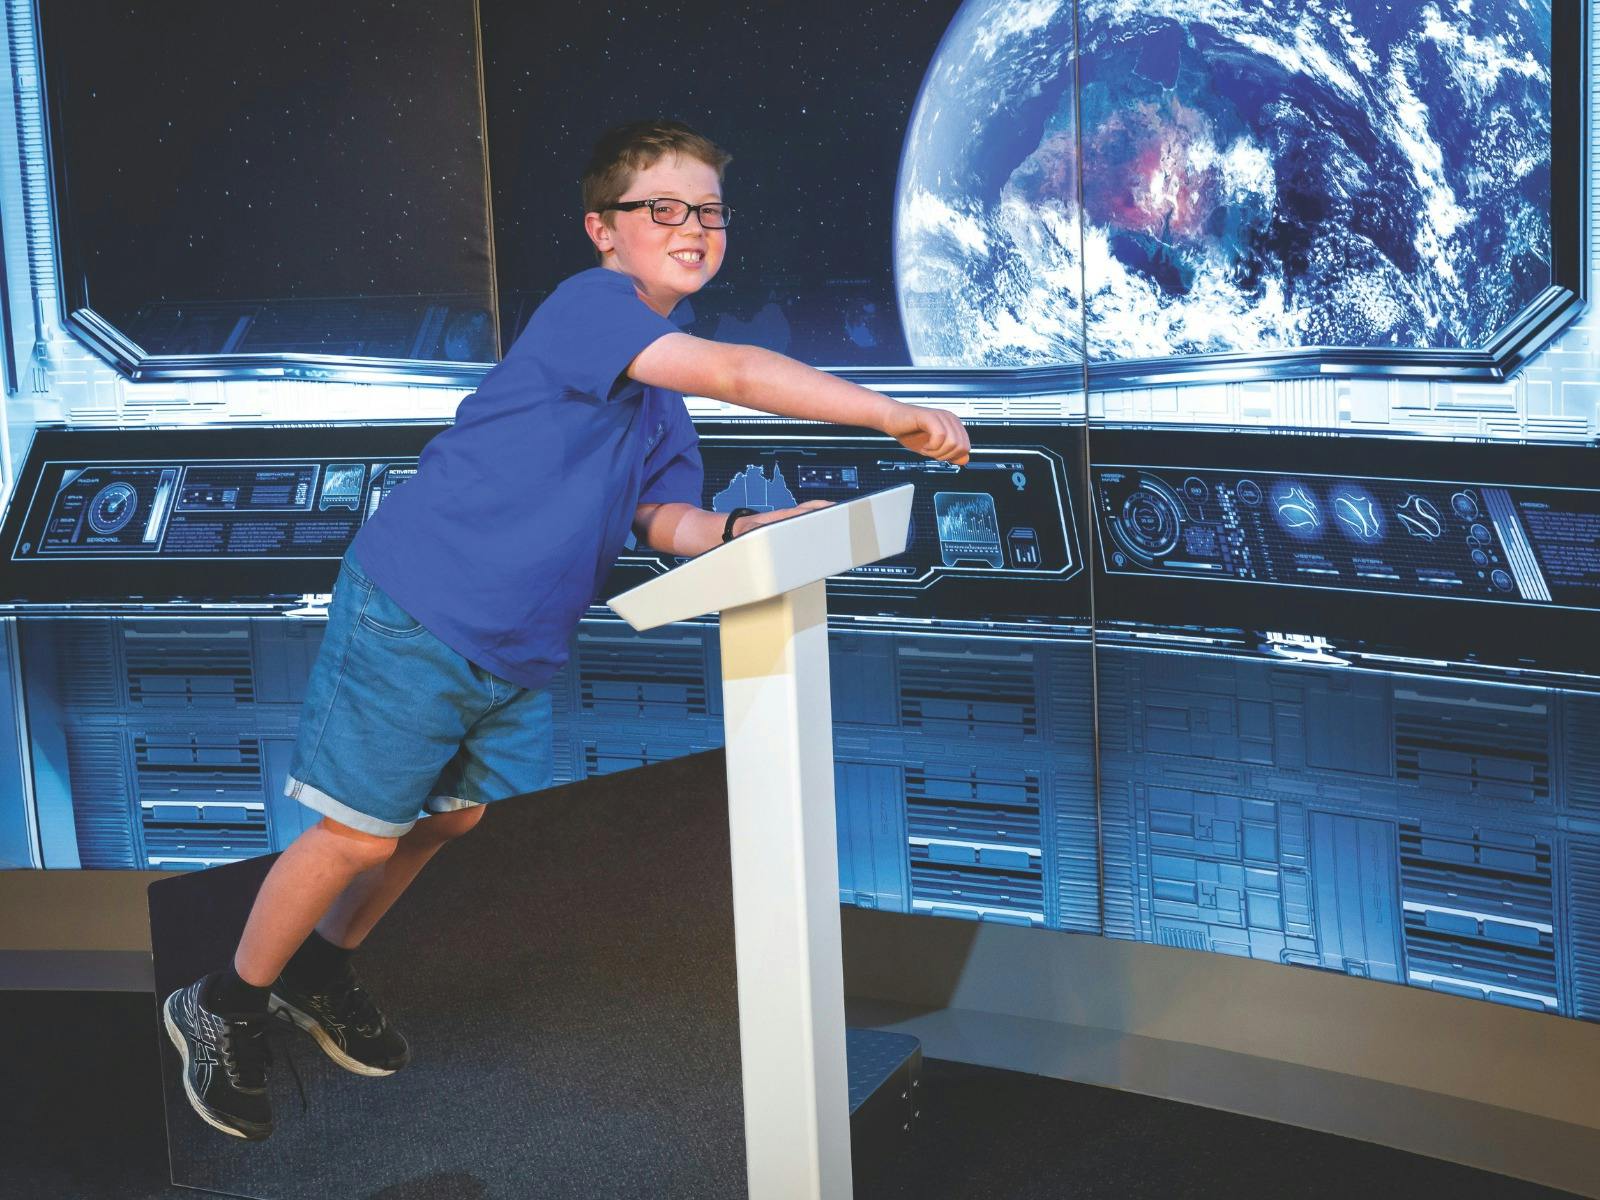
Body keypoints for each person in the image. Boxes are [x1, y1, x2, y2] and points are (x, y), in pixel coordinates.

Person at [163, 118, 969, 1141]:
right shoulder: (592, 309)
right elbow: (737, 371)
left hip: (514, 645)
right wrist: (884, 413)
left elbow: (662, 520)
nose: (692, 227)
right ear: (604, 229)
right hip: (423, 604)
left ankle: (319, 970)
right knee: (360, 831)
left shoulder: (663, 407)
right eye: (662, 208)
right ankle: (219, 1003)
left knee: (450, 819)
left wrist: (738, 528)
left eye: (709, 213)